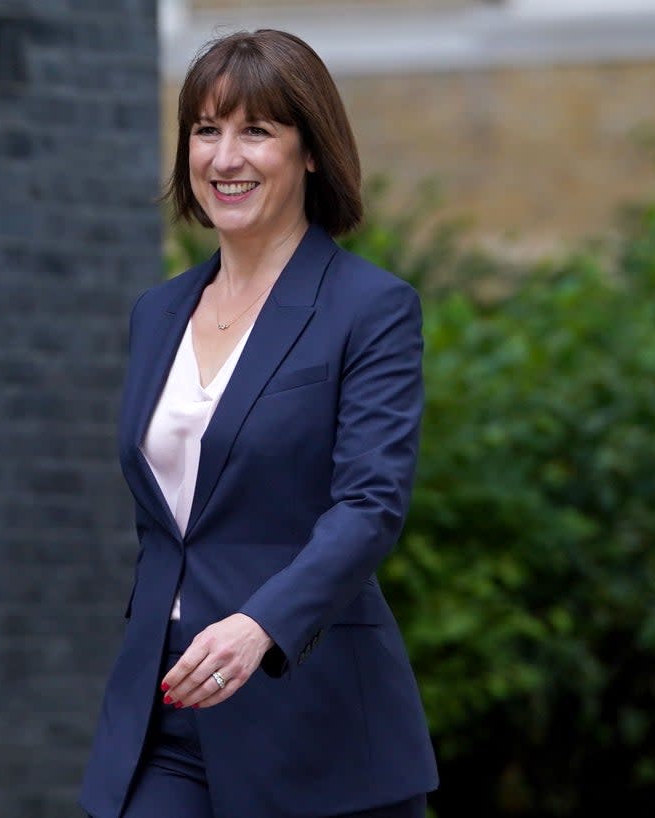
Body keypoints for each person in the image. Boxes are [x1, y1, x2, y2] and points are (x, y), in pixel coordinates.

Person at [80, 28, 438, 818]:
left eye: (257, 131)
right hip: (165, 698)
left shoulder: (368, 309)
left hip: (308, 706)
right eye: (206, 130)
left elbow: (370, 505)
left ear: (311, 152)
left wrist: (260, 625)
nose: (223, 157)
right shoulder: (159, 312)